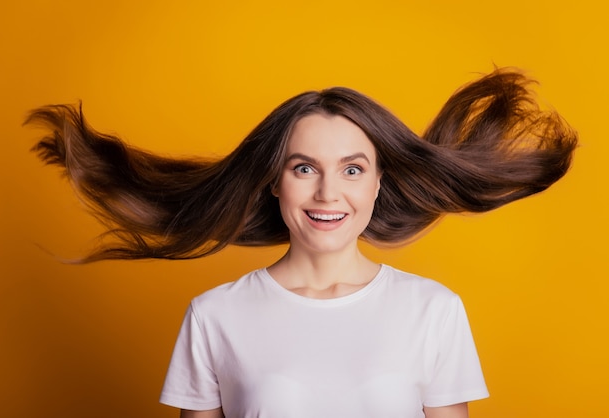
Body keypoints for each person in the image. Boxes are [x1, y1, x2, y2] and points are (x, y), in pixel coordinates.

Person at [28, 68, 577, 417]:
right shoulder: (214, 316)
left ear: (380, 181)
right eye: (304, 167)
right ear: (274, 180)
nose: (328, 192)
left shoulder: (433, 311)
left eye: (353, 170)